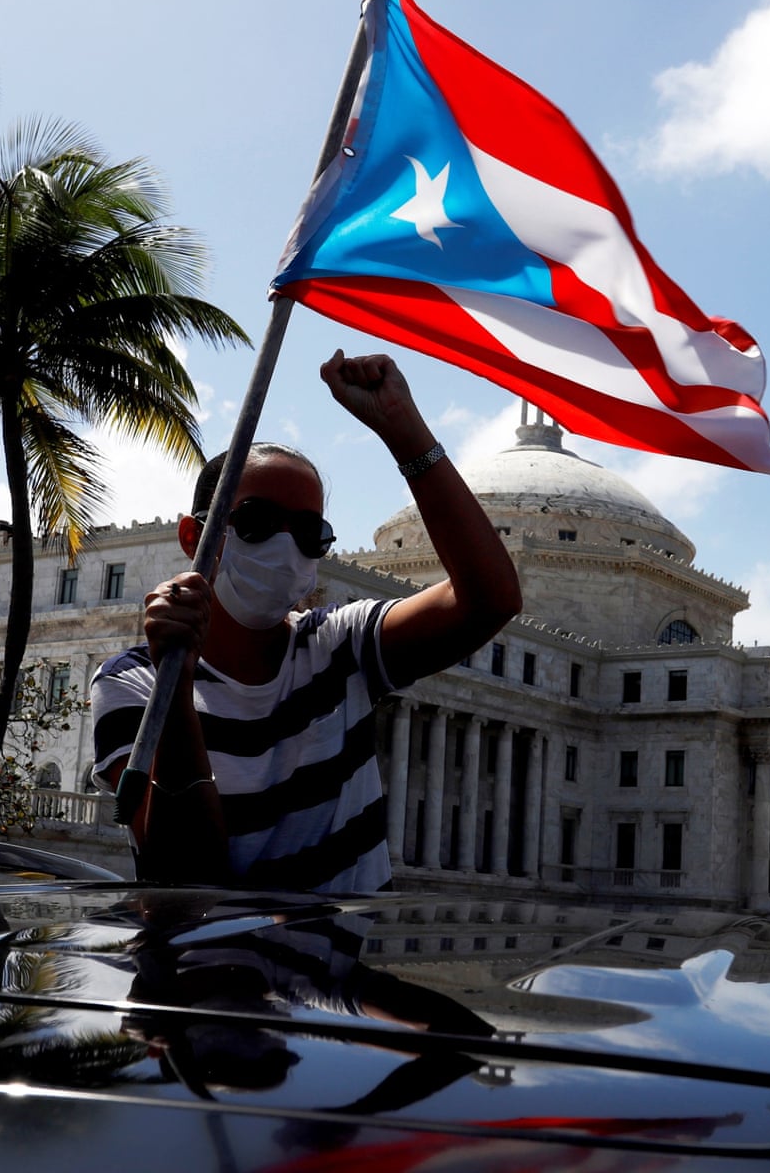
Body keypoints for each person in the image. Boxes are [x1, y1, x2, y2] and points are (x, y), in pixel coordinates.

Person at [90, 350, 522, 890]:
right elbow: (186, 869)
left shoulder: (338, 646)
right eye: (256, 522)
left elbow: (491, 599)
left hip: (335, 963)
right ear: (192, 537)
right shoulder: (133, 682)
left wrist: (404, 431)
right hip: (202, 968)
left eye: (310, 532)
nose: (285, 545)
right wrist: (175, 684)